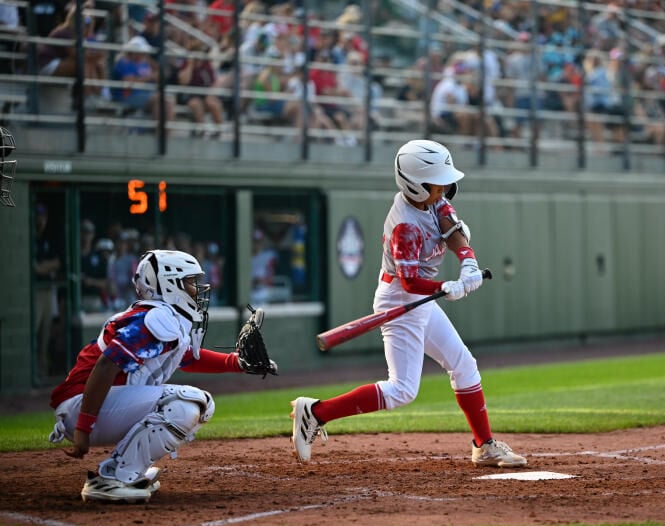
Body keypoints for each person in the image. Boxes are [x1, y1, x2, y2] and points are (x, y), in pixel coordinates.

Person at [289, 140, 527, 469]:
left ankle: (484, 446)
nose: (444, 186)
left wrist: (468, 261)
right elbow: (411, 281)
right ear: (415, 184)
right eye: (436, 181)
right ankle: (315, 412)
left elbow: (452, 228)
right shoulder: (405, 226)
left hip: (421, 298)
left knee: (464, 365)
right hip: (401, 297)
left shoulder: (434, 201)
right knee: (402, 389)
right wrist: (446, 285)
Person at [48, 250, 277, 503]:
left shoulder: (161, 316)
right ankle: (113, 478)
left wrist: (237, 362)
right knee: (188, 402)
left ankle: (127, 469)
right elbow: (105, 366)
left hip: (93, 404)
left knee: (201, 405)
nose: (197, 289)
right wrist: (83, 427)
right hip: (82, 406)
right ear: (169, 284)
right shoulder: (156, 318)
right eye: (190, 281)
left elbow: (185, 357)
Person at [33, 203, 61, 382]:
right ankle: (33, 373)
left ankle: (42, 373)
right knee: (34, 332)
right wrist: (46, 267)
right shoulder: (30, 238)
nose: (41, 220)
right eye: (39, 216)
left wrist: (46, 267)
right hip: (35, 292)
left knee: (46, 334)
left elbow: (58, 263)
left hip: (48, 290)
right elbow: (34, 268)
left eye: (44, 217)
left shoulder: (46, 239)